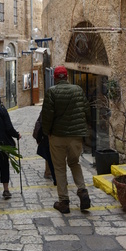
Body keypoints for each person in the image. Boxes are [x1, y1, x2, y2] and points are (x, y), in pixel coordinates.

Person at [42, 66, 91, 214]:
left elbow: (47, 115)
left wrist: (47, 132)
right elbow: (87, 111)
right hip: (76, 136)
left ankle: (64, 201)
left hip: (57, 136)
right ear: (67, 77)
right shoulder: (78, 90)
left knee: (59, 167)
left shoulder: (52, 92)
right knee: (75, 163)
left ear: (55, 78)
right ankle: (82, 191)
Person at [33, 110, 56, 185]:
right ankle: (51, 173)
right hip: (50, 135)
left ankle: (49, 172)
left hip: (48, 136)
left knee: (50, 154)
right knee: (51, 154)